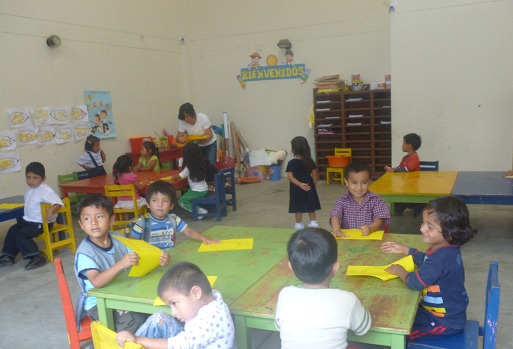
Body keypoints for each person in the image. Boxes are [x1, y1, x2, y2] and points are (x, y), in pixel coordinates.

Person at [381, 196, 477, 340]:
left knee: (400, 334)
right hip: (447, 313)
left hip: (444, 322)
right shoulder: (446, 249)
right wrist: (407, 250)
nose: (422, 228)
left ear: (450, 234)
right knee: (404, 312)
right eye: (423, 223)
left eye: (430, 227)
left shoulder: (441, 258)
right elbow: (427, 259)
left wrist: (398, 269)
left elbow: (415, 283)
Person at [74, 194, 166, 332]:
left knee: (155, 307)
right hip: (99, 304)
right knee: (134, 320)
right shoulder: (85, 253)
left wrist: (158, 257)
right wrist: (122, 264)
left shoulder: (117, 238)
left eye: (99, 217)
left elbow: (139, 254)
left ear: (111, 219)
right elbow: (97, 282)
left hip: (122, 292)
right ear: (81, 225)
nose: (93, 222)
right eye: (87, 218)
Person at [275, 228, 371, 349]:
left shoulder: (285, 295)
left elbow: (279, 326)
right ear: (335, 268)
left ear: (291, 267)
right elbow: (363, 329)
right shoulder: (347, 300)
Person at [116, 261, 235, 349]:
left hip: (185, 344)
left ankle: (131, 343)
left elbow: (177, 345)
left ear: (196, 293)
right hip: (190, 341)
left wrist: (138, 339)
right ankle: (128, 345)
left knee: (155, 328)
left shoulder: (212, 318)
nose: (174, 312)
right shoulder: (210, 298)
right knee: (160, 319)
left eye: (174, 303)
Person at [0, 162, 63, 270]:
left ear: (43, 179)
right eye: (28, 177)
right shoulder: (30, 189)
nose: (31, 181)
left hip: (41, 223)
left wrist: (50, 211)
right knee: (13, 230)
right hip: (29, 221)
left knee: (21, 235)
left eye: (35, 178)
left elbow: (59, 203)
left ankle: (37, 257)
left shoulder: (45, 191)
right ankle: (8, 256)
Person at [128, 180, 219, 250]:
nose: (160, 204)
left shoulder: (173, 219)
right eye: (155, 200)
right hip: (150, 263)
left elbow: (189, 231)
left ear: (171, 205)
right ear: (148, 204)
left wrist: (204, 239)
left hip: (168, 261)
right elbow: (132, 243)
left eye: (165, 201)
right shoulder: (142, 223)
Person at [330, 161, 390, 237]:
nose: (359, 188)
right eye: (354, 183)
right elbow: (335, 215)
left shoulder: (375, 200)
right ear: (346, 182)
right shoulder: (342, 200)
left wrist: (370, 228)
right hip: (349, 240)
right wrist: (336, 229)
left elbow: (380, 219)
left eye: (364, 183)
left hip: (370, 239)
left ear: (369, 181)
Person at [171, 142, 217, 216]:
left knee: (181, 201)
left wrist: (173, 176)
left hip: (197, 191)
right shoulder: (201, 163)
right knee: (187, 194)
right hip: (204, 189)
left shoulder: (189, 167)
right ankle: (198, 209)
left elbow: (179, 176)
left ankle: (198, 210)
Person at [286, 136, 321, 229]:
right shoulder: (310, 161)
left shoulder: (291, 163)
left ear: (293, 149)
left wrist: (299, 184)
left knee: (298, 206)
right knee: (311, 205)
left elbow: (290, 176)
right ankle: (313, 223)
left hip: (296, 187)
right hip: (309, 186)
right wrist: (312, 186)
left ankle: (298, 224)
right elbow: (315, 175)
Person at [384, 133, 422, 216]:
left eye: (404, 143)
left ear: (409, 146)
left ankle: (417, 208)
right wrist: (391, 169)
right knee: (400, 195)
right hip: (406, 184)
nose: (402, 145)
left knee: (415, 204)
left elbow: (406, 169)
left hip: (413, 185)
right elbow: (399, 168)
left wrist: (393, 169)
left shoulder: (414, 157)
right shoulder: (405, 158)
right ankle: (400, 207)